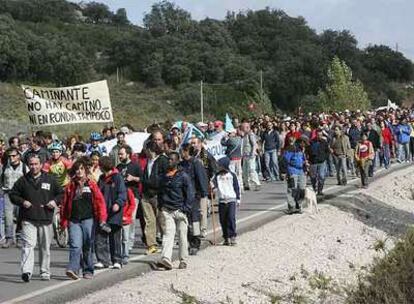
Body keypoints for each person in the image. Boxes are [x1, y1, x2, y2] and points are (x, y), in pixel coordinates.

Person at [9, 154, 63, 282]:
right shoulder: (23, 180)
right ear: (28, 165)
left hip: (45, 218)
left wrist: (55, 202)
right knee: (28, 245)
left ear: (41, 164)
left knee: (45, 246)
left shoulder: (50, 179)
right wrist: (22, 202)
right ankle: (27, 271)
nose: (33, 167)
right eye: (31, 164)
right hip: (29, 218)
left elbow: (61, 193)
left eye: (36, 164)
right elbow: (13, 194)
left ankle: (44, 271)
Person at [60, 158, 108, 280]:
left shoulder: (91, 184)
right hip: (74, 220)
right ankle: (73, 269)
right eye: (77, 169)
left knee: (87, 245)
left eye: (81, 169)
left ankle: (88, 269)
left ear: (85, 170)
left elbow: (100, 202)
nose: (79, 171)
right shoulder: (70, 186)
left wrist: (102, 218)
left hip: (88, 219)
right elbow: (65, 204)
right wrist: (63, 221)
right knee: (75, 245)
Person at [157, 151, 194, 270]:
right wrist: (161, 206)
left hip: (180, 211)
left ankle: (183, 260)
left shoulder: (183, 176)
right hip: (167, 210)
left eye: (172, 159)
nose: (169, 161)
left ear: (177, 161)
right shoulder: (164, 176)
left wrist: (185, 209)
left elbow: (190, 193)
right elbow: (160, 192)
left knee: (182, 236)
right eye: (168, 159)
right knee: (168, 234)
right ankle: (166, 259)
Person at [95, 156, 127, 270]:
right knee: (101, 236)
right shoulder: (101, 178)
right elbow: (98, 193)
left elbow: (123, 193)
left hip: (115, 213)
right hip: (103, 212)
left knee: (115, 237)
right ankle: (103, 260)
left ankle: (117, 260)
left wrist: (118, 203)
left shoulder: (117, 177)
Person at [180, 144, 208, 253]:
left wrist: (203, 192)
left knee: (194, 220)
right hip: (183, 196)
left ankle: (195, 243)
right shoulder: (181, 164)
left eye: (182, 151)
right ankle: (187, 241)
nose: (181, 153)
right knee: (185, 221)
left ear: (187, 151)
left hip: (194, 196)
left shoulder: (196, 163)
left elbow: (201, 178)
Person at [141, 141, 168, 254]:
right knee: (149, 221)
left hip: (158, 194)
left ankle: (167, 242)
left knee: (162, 220)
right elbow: (145, 176)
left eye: (146, 149)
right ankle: (151, 245)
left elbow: (164, 177)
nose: (144, 151)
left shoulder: (162, 160)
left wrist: (155, 184)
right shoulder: (148, 161)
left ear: (151, 149)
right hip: (147, 194)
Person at [116, 145, 142, 264]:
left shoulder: (135, 166)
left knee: (130, 219)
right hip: (121, 197)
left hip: (133, 196)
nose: (120, 156)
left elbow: (142, 179)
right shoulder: (118, 167)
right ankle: (122, 243)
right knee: (121, 220)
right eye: (119, 154)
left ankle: (129, 243)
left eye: (122, 154)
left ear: (128, 154)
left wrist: (133, 178)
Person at [1, 148, 28, 248]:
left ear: (18, 156)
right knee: (8, 217)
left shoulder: (24, 167)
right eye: (9, 156)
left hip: (20, 195)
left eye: (13, 156)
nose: (11, 158)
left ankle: (20, 238)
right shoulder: (5, 167)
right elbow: (1, 180)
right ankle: (9, 238)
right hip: (8, 193)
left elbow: (29, 180)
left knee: (20, 216)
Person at [211, 157, 240, 246]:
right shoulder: (217, 176)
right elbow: (213, 184)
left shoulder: (232, 175)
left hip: (231, 200)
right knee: (223, 220)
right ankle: (226, 237)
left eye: (220, 166)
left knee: (231, 218)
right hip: (222, 201)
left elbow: (236, 187)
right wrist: (213, 187)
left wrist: (238, 198)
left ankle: (232, 236)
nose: (218, 167)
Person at [283, 137, 306, 214]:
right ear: (301, 142)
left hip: (301, 171)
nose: (305, 145)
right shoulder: (290, 149)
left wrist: (305, 166)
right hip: (292, 171)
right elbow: (285, 160)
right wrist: (284, 172)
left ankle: (299, 205)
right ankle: (291, 207)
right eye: (304, 143)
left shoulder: (301, 150)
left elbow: (302, 160)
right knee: (292, 189)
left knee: (302, 189)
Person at [306, 129, 330, 195]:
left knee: (321, 176)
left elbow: (327, 151)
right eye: (318, 135)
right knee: (313, 177)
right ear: (316, 135)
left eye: (321, 135)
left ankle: (320, 190)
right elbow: (307, 151)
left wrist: (325, 157)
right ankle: (314, 188)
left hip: (322, 161)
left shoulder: (324, 142)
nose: (319, 136)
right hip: (313, 162)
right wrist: (309, 158)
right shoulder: (311, 142)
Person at [241, 121, 261, 191]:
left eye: (243, 128)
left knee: (252, 169)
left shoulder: (250, 134)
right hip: (245, 155)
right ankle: (246, 184)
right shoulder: (244, 135)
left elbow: (254, 144)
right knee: (245, 170)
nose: (242, 129)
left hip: (250, 155)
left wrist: (252, 154)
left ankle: (257, 183)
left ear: (247, 127)